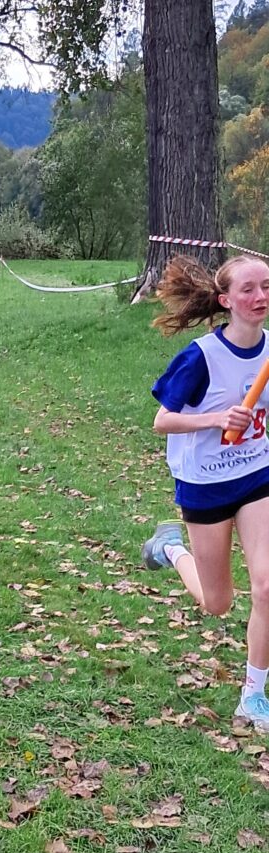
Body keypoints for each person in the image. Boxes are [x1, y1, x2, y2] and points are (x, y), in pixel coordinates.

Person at [142, 254, 269, 734]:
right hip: (205, 484)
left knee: (267, 586)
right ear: (225, 300)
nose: (260, 297)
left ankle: (253, 696)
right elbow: (161, 421)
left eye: (266, 286)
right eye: (248, 290)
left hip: (258, 475)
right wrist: (217, 418)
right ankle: (169, 548)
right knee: (218, 603)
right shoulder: (201, 357)